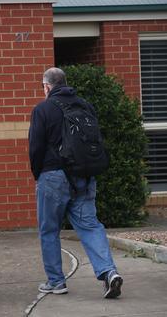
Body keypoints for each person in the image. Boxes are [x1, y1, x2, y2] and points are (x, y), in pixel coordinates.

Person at [29, 67, 123, 298]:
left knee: (49, 230)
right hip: (84, 176)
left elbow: (35, 147)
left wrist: (38, 174)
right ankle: (109, 272)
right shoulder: (85, 105)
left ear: (47, 87)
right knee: (90, 226)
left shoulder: (43, 109)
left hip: (53, 176)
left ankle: (56, 282)